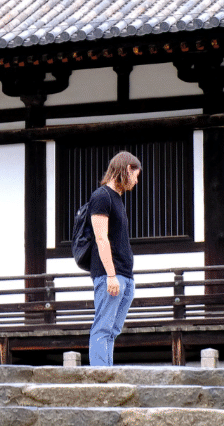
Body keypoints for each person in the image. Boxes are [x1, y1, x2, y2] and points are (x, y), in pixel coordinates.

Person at [87, 151, 141, 367]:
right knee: (103, 327)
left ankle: (108, 374)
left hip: (125, 274)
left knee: (112, 330)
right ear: (127, 169)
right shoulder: (102, 196)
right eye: (136, 175)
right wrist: (111, 275)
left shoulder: (117, 199)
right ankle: (100, 377)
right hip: (111, 274)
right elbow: (101, 238)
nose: (136, 181)